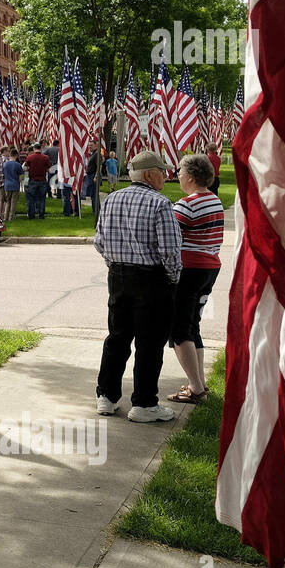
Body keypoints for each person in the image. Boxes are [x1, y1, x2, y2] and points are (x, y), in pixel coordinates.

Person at [93, 149, 182, 423]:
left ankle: (106, 397)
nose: (166, 176)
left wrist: (115, 264)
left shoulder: (112, 199)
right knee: (150, 342)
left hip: (118, 276)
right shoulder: (160, 204)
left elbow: (99, 241)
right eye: (163, 172)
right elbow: (170, 251)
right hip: (151, 279)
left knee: (117, 337)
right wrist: (173, 278)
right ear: (149, 174)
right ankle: (144, 403)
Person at [166, 154, 225, 404]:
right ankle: (199, 382)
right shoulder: (214, 200)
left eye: (180, 171)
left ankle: (196, 388)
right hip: (210, 267)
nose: (177, 175)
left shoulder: (185, 205)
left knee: (179, 330)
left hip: (189, 269)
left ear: (190, 177)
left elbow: (169, 237)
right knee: (193, 325)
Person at [24, 142, 50, 219]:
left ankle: (31, 215)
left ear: (34, 149)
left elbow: (26, 168)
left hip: (32, 180)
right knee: (42, 198)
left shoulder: (29, 157)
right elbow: (48, 169)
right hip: (42, 180)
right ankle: (41, 215)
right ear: (40, 149)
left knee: (31, 198)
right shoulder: (45, 157)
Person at [0, 149, 23, 221]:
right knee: (13, 202)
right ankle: (11, 217)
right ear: (16, 155)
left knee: (7, 202)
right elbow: (21, 177)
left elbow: (3, 174)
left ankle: (5, 217)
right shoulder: (18, 165)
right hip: (15, 184)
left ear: (10, 155)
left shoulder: (5, 164)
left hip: (7, 185)